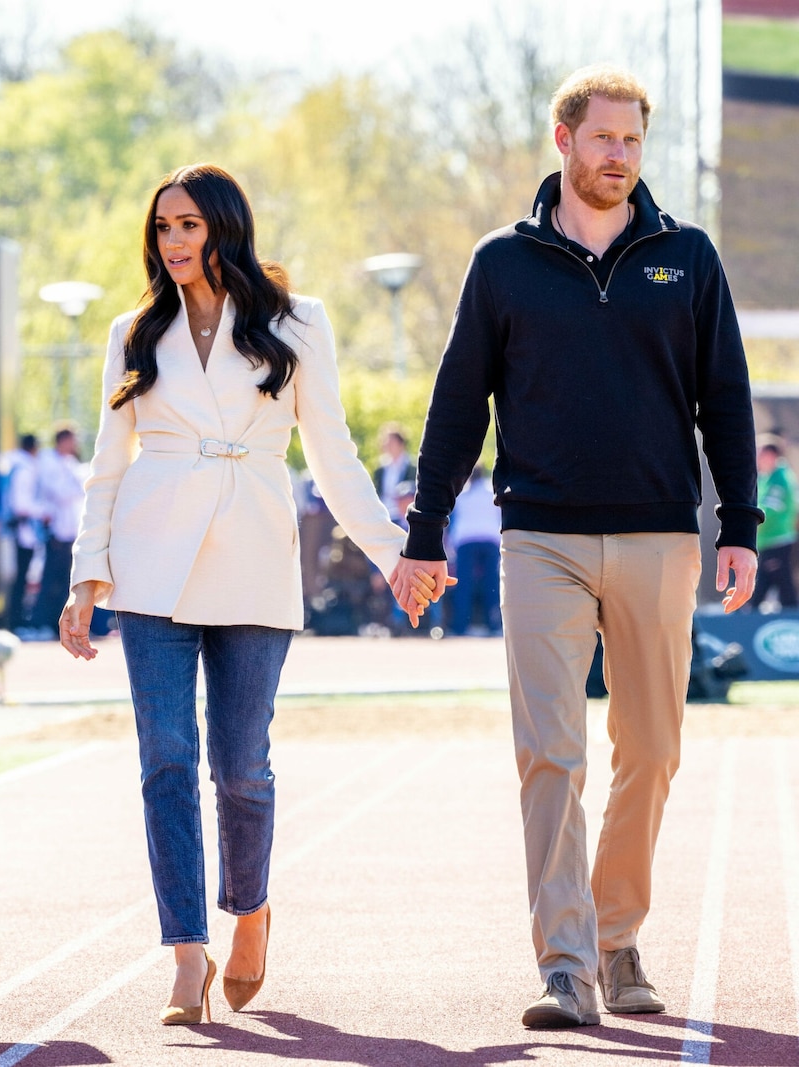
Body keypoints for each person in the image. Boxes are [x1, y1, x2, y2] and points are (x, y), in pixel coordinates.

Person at [390, 65, 762, 1029]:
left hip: (659, 532)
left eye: (634, 142)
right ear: (564, 141)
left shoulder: (689, 254)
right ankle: (565, 962)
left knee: (652, 748)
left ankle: (616, 934)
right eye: (604, 140)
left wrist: (742, 529)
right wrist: (425, 530)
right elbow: (456, 400)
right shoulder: (502, 262)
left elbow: (723, 397)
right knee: (549, 752)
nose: (620, 157)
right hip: (540, 537)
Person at [59, 163, 431, 1026]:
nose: (174, 242)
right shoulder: (132, 330)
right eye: (163, 229)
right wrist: (87, 577)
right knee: (164, 761)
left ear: (225, 226)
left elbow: (333, 454)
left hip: (255, 564)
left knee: (241, 768)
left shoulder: (298, 322)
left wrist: (395, 555)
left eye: (188, 225)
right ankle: (186, 951)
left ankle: (251, 907)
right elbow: (107, 467)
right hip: (149, 564)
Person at [27, 428, 87, 638]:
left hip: (70, 533)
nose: (75, 445)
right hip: (55, 531)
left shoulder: (70, 463)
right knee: (49, 580)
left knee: (65, 582)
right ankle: (40, 624)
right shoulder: (47, 462)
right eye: (72, 440)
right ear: (62, 441)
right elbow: (60, 493)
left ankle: (56, 625)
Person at [448, 464, 502, 636]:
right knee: (491, 583)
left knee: (463, 584)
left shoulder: (461, 494)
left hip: (466, 539)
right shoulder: (492, 491)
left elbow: (454, 522)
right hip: (490, 539)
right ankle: (492, 624)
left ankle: (460, 625)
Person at [750, 434, 798, 609]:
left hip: (778, 543)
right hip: (767, 543)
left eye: (759, 453)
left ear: (770, 455)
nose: (756, 458)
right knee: (765, 591)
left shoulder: (781, 479)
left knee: (785, 594)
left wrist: (747, 520)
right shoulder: (766, 478)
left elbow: (769, 512)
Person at [4, 433, 44, 633]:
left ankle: (13, 621)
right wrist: (43, 512)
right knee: (19, 578)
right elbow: (22, 505)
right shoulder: (25, 468)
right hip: (21, 530)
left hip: (13, 529)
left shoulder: (11, 463)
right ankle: (14, 622)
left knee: (16, 577)